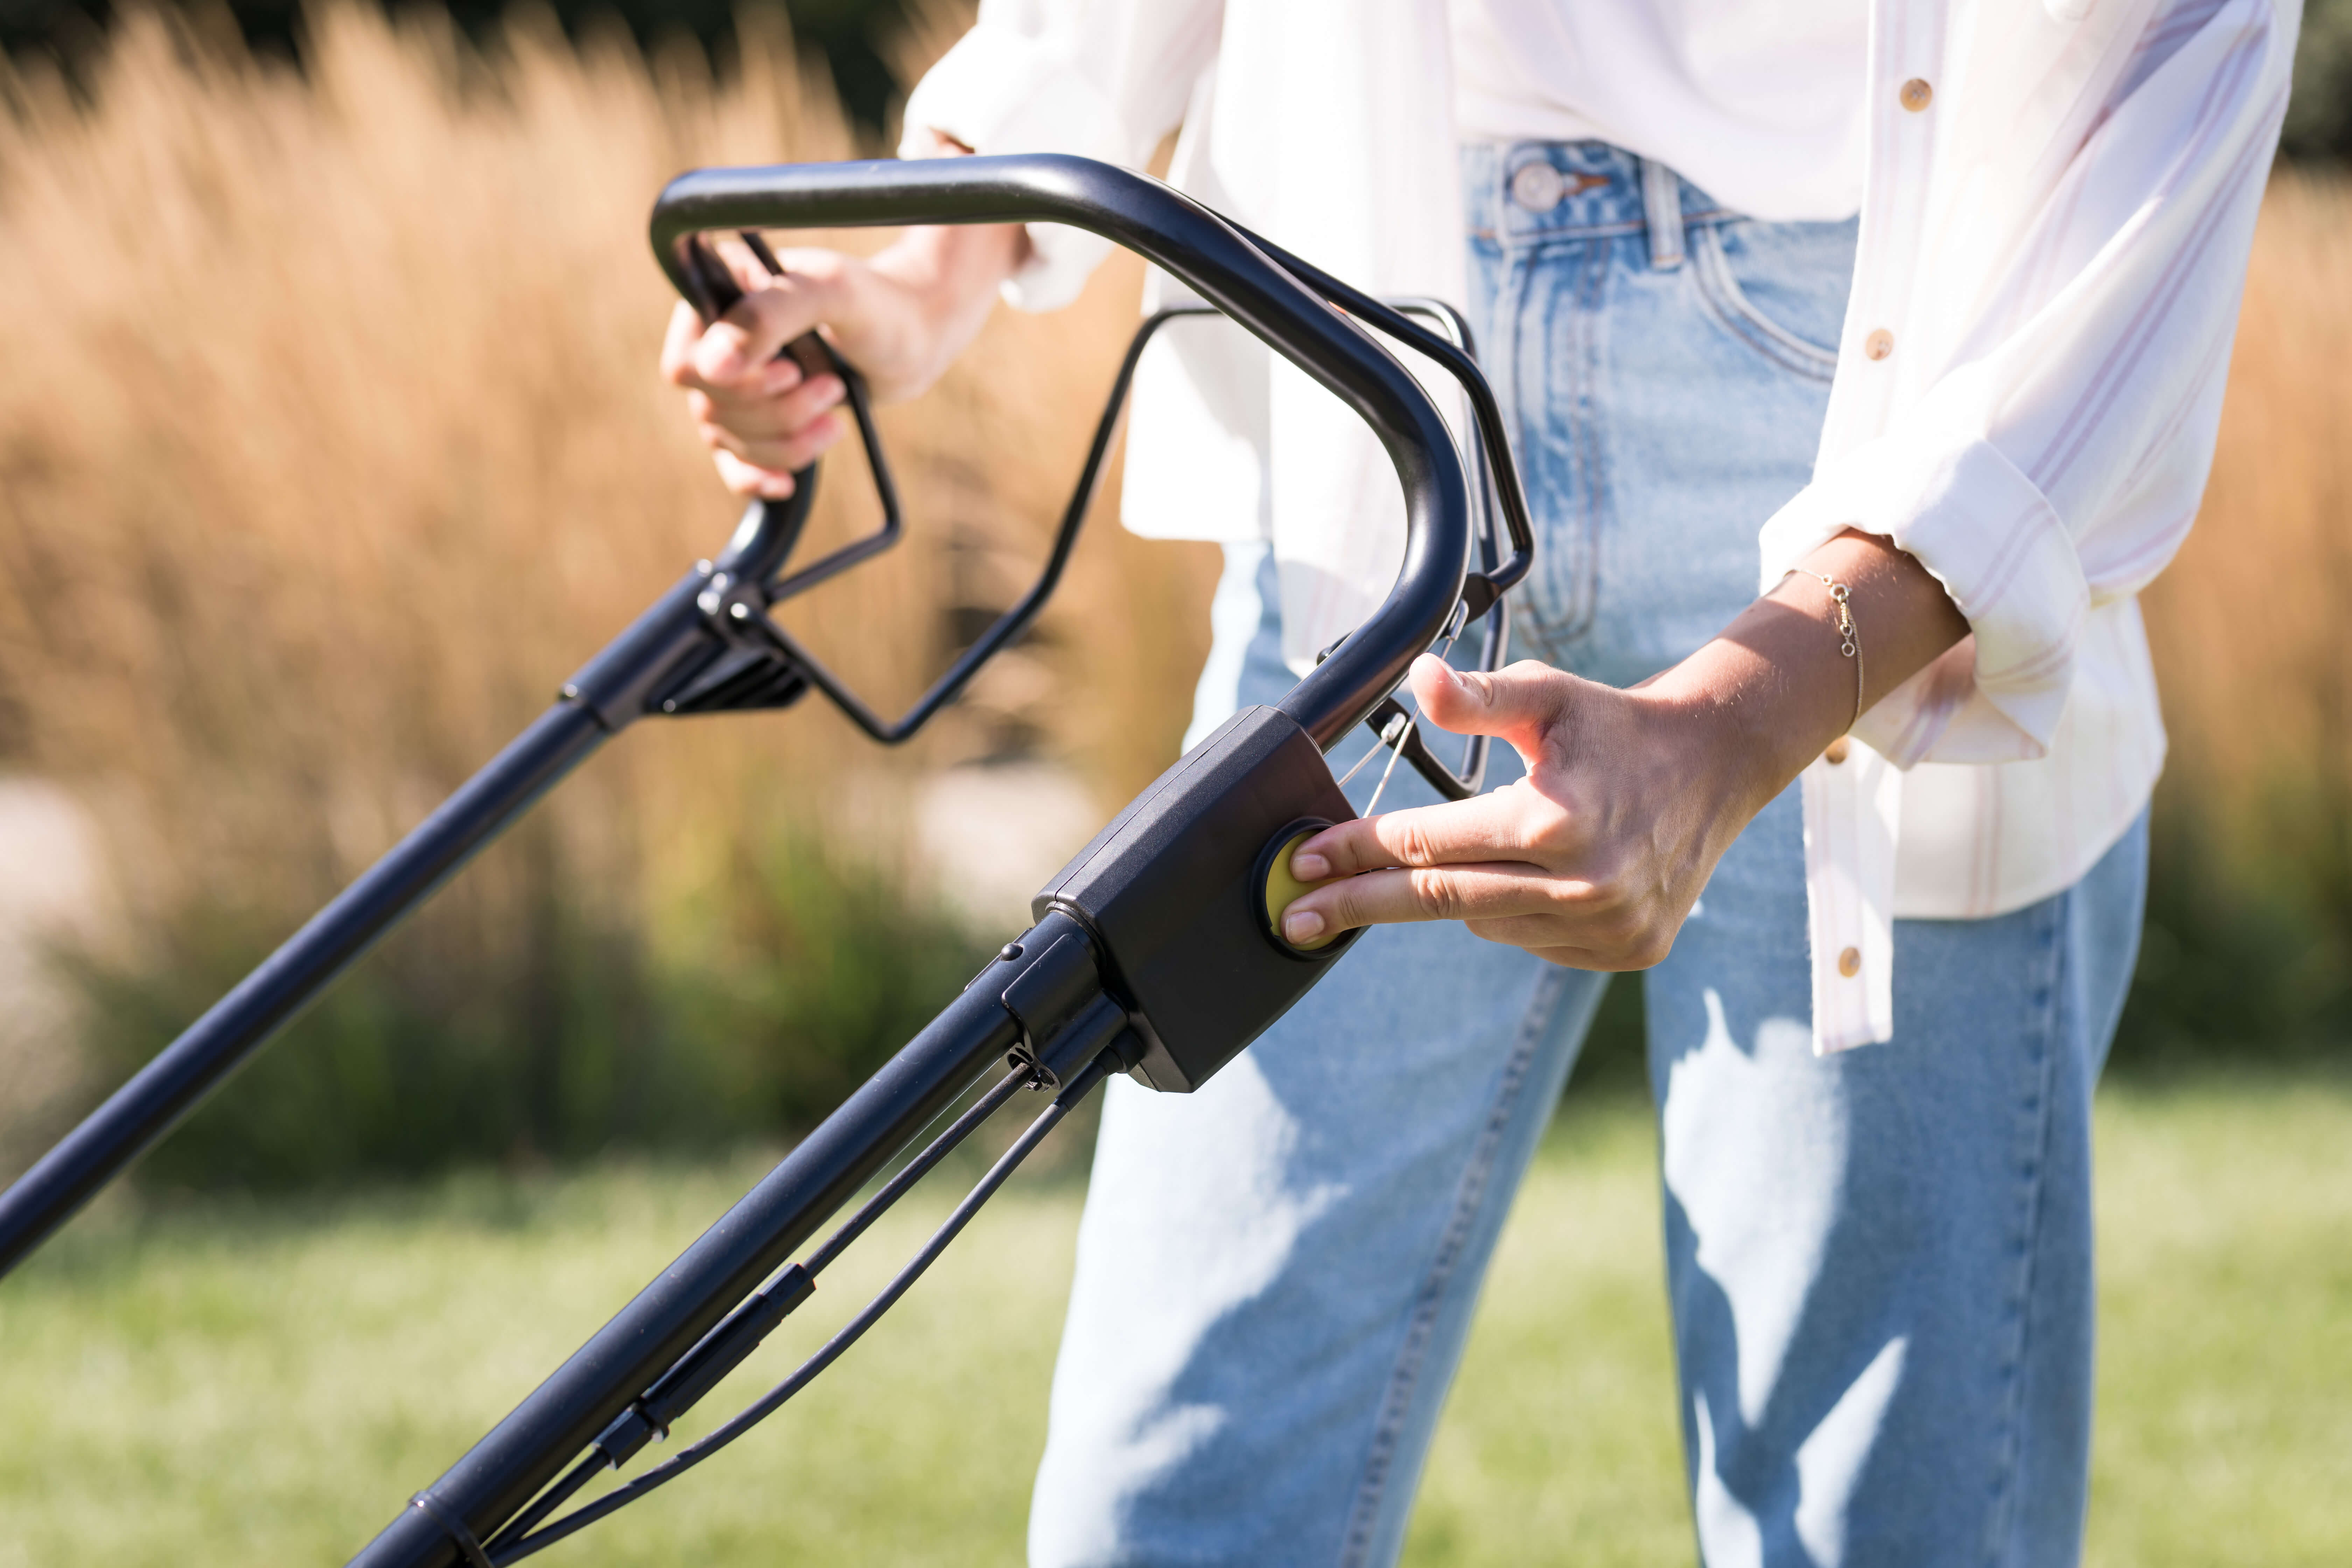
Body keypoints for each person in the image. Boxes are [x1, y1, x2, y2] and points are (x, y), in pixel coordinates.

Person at [661, 0, 2295, 1560]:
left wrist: (1736, 726)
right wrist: (924, 270)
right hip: (1384, 395)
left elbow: (2169, 89)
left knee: (1876, 1520)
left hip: (1874, 434)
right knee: (1164, 1502)